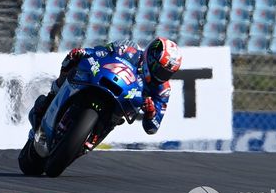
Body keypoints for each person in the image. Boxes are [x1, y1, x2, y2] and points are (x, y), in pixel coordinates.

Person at [28, 38, 182, 136]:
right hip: (100, 81)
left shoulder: (163, 89)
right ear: (151, 57)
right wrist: (83, 52)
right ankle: (50, 99)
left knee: (115, 120)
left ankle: (87, 141)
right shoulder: (129, 50)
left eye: (166, 73)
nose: (161, 75)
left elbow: (152, 128)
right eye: (160, 69)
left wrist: (150, 112)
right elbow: (101, 52)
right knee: (72, 60)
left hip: (119, 108)